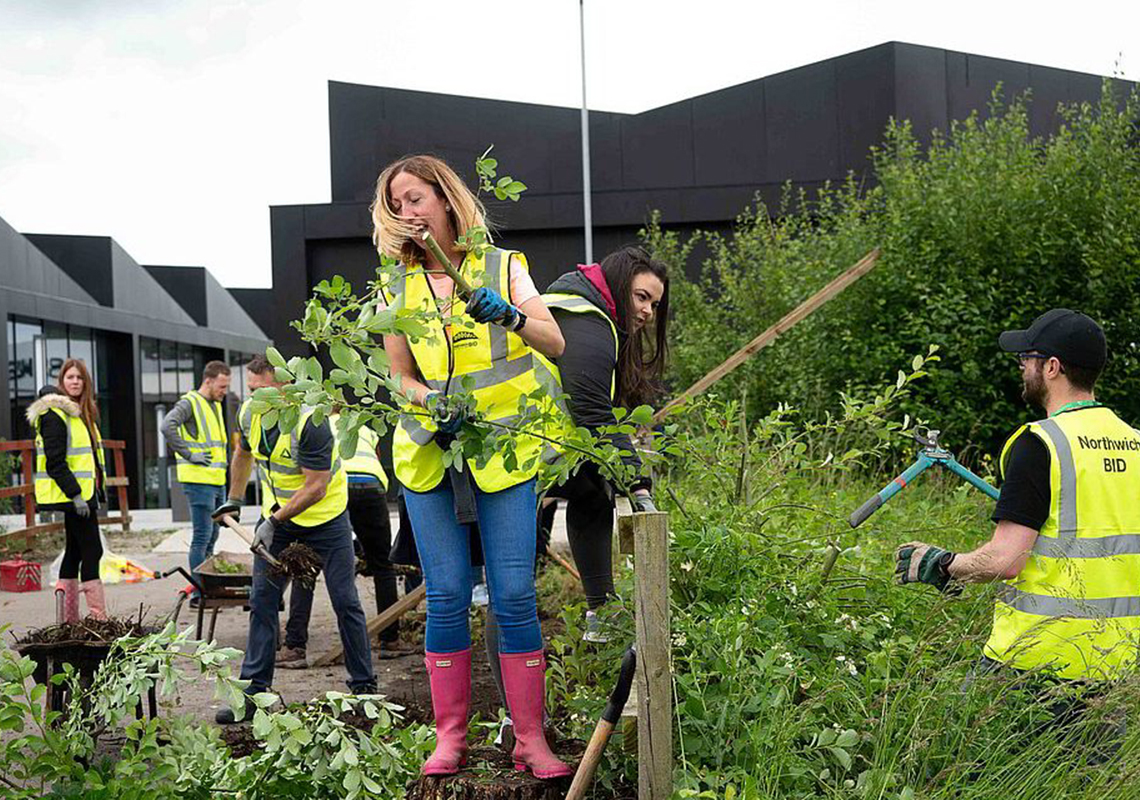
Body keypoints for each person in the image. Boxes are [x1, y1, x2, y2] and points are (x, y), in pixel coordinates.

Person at [373, 153, 572, 778]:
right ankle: (449, 740)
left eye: (416, 198)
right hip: (431, 452)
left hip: (504, 448)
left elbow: (555, 342)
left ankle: (531, 742)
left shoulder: (503, 267)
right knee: (449, 596)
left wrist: (510, 314)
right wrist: (430, 400)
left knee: (513, 596)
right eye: (397, 205)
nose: (408, 213)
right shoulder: (394, 288)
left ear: (446, 199)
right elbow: (397, 376)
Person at [895, 309, 1140, 685]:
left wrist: (942, 564)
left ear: (1053, 367)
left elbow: (1005, 560)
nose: (1022, 366)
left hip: (1033, 660)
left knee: (953, 739)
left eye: (1027, 358)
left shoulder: (1041, 443)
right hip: (1117, 669)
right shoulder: (1135, 445)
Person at [211, 355, 375, 723]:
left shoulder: (310, 421)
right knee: (262, 602)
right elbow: (243, 454)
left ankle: (365, 690)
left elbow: (316, 488)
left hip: (326, 519)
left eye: (261, 390)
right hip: (280, 521)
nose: (253, 398)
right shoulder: (251, 414)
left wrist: (272, 521)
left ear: (285, 387)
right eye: (250, 390)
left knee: (345, 601)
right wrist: (235, 499)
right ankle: (253, 693)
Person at [277, 410, 412, 668]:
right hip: (370, 486)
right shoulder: (363, 425)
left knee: (305, 568)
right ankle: (390, 640)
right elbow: (376, 457)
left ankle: (295, 647)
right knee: (382, 564)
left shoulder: (311, 424)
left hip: (334, 490)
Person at [28, 360, 107, 621]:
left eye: (80, 378)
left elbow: (89, 459)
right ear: (61, 382)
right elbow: (55, 462)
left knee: (74, 551)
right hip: (73, 496)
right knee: (92, 550)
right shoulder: (55, 414)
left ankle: (68, 620)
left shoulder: (81, 413)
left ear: (86, 382)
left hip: (83, 495)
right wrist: (75, 495)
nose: (75, 382)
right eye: (69, 377)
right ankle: (98, 617)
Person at [160, 360, 231, 605]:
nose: (224, 391)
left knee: (212, 535)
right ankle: (201, 594)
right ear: (208, 381)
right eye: (221, 386)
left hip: (216, 480)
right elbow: (167, 426)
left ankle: (207, 585)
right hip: (199, 480)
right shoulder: (190, 402)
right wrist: (189, 454)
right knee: (202, 536)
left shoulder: (213, 405)